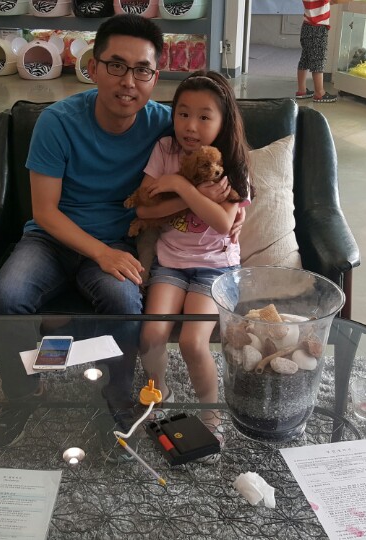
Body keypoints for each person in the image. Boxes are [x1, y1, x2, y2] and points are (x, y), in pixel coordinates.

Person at [0, 14, 234, 449]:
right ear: (93, 66)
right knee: (5, 299)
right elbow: (45, 212)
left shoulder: (166, 124)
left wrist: (232, 204)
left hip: (118, 241)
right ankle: (23, 394)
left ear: (156, 75)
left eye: (142, 70)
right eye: (116, 65)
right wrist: (101, 253)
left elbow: (222, 143)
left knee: (122, 302)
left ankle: (118, 400)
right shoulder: (57, 122)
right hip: (51, 239)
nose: (128, 82)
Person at [135, 71, 253, 448]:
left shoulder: (231, 163)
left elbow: (222, 222)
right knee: (152, 333)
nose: (190, 126)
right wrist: (187, 192)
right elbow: (144, 208)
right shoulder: (165, 150)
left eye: (204, 117)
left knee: (192, 342)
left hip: (216, 269)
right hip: (170, 263)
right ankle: (159, 395)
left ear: (223, 121)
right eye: (183, 114)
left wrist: (180, 186)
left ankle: (211, 415)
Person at [297, 0, 351, 103]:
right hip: (318, 29)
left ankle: (301, 90)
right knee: (318, 60)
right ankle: (319, 93)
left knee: (305, 58)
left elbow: (328, 2)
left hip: (306, 26)